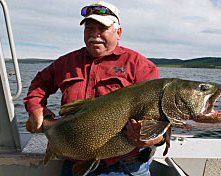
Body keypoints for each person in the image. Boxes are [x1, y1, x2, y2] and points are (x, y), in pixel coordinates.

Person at [23, 1, 164, 175]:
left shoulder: (140, 66)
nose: (94, 34)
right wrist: (36, 107)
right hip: (72, 163)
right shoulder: (66, 62)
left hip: (125, 167)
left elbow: (158, 119)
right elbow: (40, 83)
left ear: (118, 32)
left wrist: (153, 139)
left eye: (102, 29)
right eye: (89, 28)